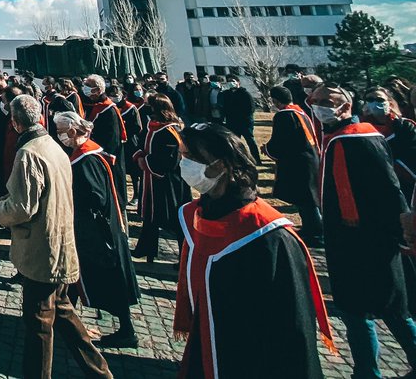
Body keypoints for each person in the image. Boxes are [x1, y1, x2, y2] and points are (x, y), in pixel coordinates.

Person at [174, 121, 334, 378]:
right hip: (208, 343)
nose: (184, 163)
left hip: (253, 358)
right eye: (183, 156)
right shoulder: (198, 215)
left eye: (193, 157)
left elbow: (293, 327)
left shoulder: (269, 235)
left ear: (222, 164)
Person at [0, 95, 113, 379]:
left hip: (42, 248)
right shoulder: (53, 147)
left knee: (39, 323)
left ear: (16, 122)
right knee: (63, 312)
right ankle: (100, 371)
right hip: (60, 240)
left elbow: (22, 207)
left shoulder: (29, 152)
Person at [310, 82, 416, 379]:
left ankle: (369, 371)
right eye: (315, 100)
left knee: (379, 309)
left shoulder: (358, 138)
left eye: (326, 101)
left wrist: (401, 224)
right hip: (352, 239)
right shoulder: (339, 137)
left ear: (346, 105)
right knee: (372, 310)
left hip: (367, 239)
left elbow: (389, 187)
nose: (318, 106)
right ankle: (368, 370)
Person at [54, 111, 139, 348]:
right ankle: (63, 317)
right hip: (94, 227)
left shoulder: (87, 158)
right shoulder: (88, 152)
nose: (60, 135)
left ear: (72, 130)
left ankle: (126, 330)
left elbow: (95, 196)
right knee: (74, 277)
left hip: (97, 230)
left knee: (105, 279)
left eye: (61, 130)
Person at [263, 85, 323, 246]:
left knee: (307, 199)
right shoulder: (300, 112)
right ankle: (310, 228)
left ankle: (317, 233)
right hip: (309, 158)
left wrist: (267, 149)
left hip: (297, 162)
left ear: (275, 101)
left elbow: (280, 141)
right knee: (308, 196)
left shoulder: (284, 116)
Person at [131, 93, 186, 263]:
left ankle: (184, 256)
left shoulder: (171, 130)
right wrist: (140, 155)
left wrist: (145, 161)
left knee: (175, 220)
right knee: (150, 216)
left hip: (168, 182)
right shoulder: (153, 126)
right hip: (151, 179)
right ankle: (146, 247)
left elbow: (170, 160)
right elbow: (142, 144)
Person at [361, 87, 416, 200]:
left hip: (406, 183)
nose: (374, 102)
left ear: (390, 104)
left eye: (380, 99)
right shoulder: (361, 130)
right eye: (370, 100)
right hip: (377, 187)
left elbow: (412, 154)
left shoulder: (404, 126)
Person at [81, 75, 126, 176]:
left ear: (98, 89)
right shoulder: (91, 105)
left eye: (88, 85)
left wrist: (101, 155)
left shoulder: (109, 110)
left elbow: (112, 138)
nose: (85, 88)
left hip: (105, 155)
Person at [217, 77, 260, 164]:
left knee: (250, 140)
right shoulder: (225, 94)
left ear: (238, 83)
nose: (230, 83)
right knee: (235, 142)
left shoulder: (245, 93)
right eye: (228, 81)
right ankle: (238, 159)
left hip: (245, 122)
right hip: (232, 122)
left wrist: (244, 117)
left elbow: (251, 108)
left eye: (233, 81)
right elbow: (223, 107)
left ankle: (256, 159)